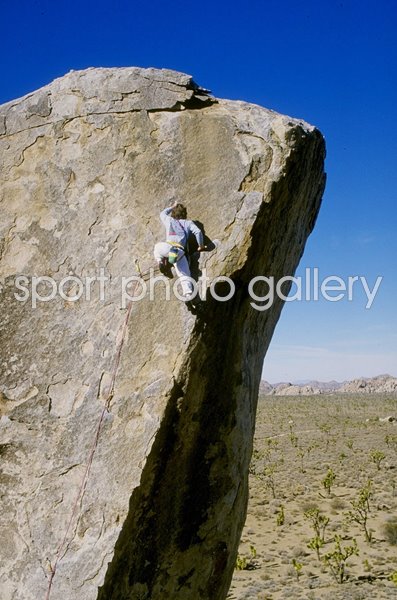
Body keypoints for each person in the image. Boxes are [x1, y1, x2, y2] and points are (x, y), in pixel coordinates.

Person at [154, 201, 205, 300]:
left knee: (156, 248)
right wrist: (201, 246)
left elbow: (162, 214)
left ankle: (161, 261)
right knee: (184, 275)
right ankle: (189, 295)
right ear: (184, 214)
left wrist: (172, 207)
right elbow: (198, 232)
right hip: (180, 252)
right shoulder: (188, 223)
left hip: (168, 247)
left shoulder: (169, 220)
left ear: (173, 213)